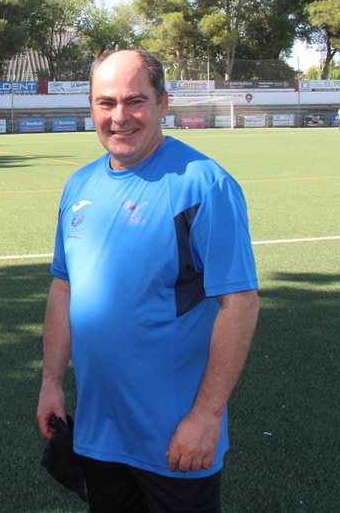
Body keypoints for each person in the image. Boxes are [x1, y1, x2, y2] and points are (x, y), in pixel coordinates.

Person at [37, 49, 260, 513]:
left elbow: (240, 304)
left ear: (163, 103)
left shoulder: (204, 186)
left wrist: (206, 416)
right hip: (100, 431)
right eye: (106, 102)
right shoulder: (79, 185)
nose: (120, 117)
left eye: (135, 101)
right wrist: (52, 382)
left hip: (174, 434)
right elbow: (64, 288)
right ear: (91, 107)